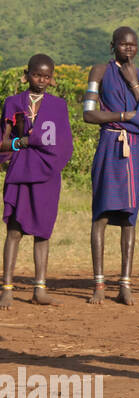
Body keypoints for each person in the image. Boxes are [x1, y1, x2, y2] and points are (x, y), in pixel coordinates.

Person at [83, 27, 139, 305]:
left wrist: (134, 85)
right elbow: (89, 113)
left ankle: (125, 284)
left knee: (129, 217)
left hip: (134, 151)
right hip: (109, 147)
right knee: (100, 214)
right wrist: (125, 115)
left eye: (133, 45)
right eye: (123, 44)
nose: (128, 48)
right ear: (112, 45)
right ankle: (99, 284)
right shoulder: (99, 71)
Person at [0, 55, 73, 308]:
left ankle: (39, 289)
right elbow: (2, 142)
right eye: (36, 75)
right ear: (26, 74)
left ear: (51, 78)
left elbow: (65, 144)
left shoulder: (58, 105)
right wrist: (22, 143)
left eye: (46, 76)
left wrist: (52, 164)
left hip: (47, 175)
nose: (41, 80)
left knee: (43, 232)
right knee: (14, 231)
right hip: (20, 172)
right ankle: (7, 288)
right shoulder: (12, 103)